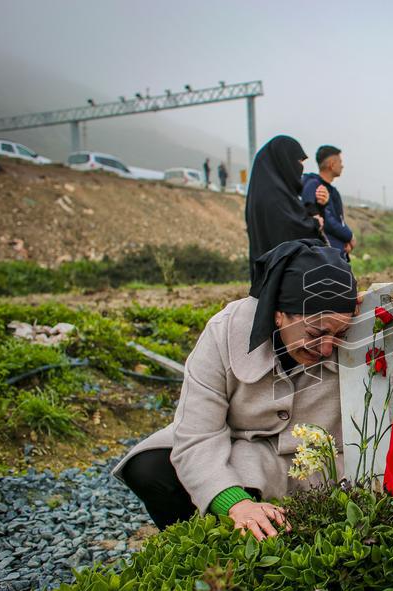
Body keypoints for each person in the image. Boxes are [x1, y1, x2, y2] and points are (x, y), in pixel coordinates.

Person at [114, 239, 358, 537]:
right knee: (150, 468)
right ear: (279, 312)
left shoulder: (352, 326)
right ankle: (207, 547)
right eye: (315, 333)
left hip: (316, 468)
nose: (326, 348)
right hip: (239, 452)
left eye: (339, 333)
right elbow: (196, 434)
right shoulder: (226, 331)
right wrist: (235, 503)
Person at [244, 135, 328, 280]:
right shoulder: (274, 196)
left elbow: (293, 221)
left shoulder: (268, 193)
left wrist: (319, 207)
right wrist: (315, 223)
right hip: (283, 283)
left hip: (269, 280)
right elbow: (291, 232)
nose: (300, 167)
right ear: (284, 162)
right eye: (298, 161)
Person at [302, 145, 354, 260]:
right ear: (331, 164)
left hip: (337, 253)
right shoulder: (313, 185)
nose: (342, 166)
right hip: (327, 254)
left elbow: (339, 220)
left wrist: (346, 240)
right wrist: (349, 236)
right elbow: (328, 221)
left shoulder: (333, 191)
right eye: (340, 161)